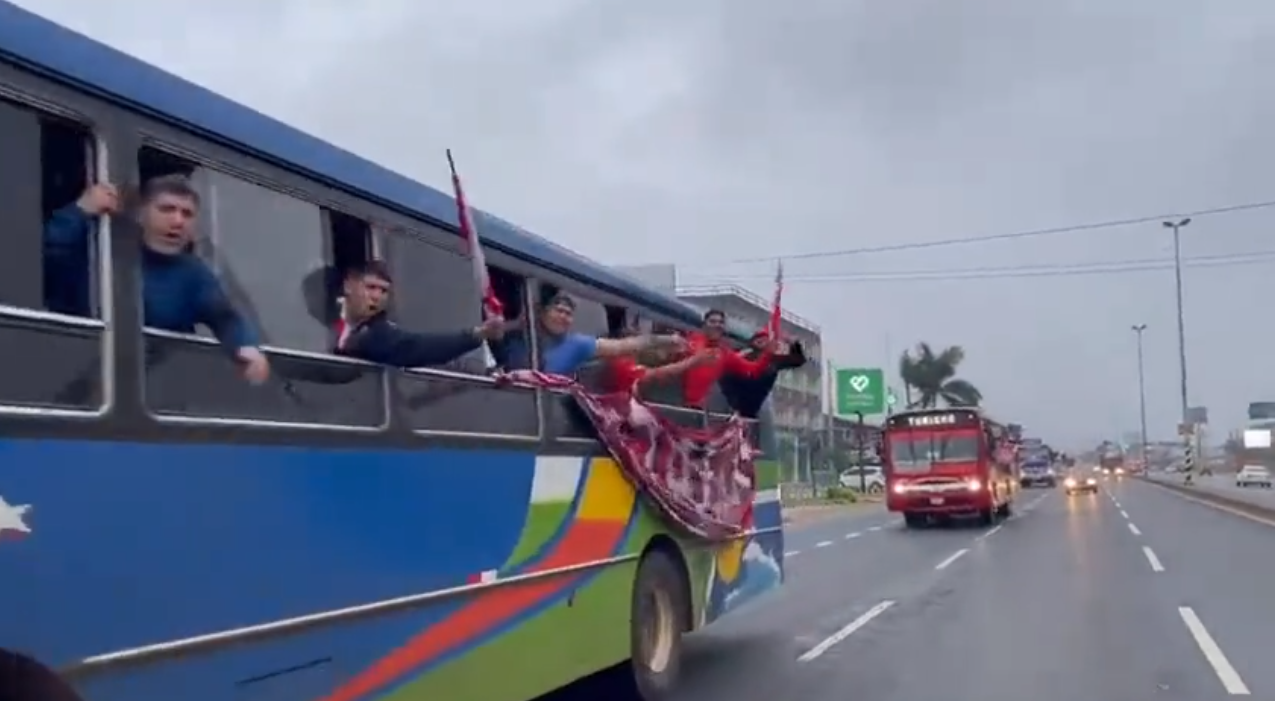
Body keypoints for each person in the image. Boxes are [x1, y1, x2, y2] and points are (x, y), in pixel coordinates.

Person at [43, 178, 270, 384]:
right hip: (72, 373)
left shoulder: (194, 274)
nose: (178, 221)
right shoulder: (100, 247)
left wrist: (245, 345)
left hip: (155, 389)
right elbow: (49, 253)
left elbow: (225, 317)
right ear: (141, 214)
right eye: (166, 209)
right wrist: (80, 210)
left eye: (187, 214)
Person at [333, 260, 506, 367]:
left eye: (383, 291)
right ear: (348, 286)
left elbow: (415, 347)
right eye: (370, 287)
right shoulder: (324, 317)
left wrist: (477, 334)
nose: (377, 297)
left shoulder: (378, 332)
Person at [503, 292, 686, 375]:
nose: (563, 317)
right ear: (543, 313)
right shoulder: (518, 337)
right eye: (558, 311)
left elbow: (622, 346)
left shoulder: (577, 344)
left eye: (568, 314)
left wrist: (665, 339)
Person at [680, 309, 775, 409]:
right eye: (712, 321)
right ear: (704, 325)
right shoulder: (689, 340)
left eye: (721, 322)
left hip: (697, 410)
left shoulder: (725, 352)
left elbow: (753, 369)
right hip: (675, 401)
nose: (717, 325)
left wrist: (768, 354)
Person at [719, 329, 807, 418]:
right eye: (759, 338)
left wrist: (794, 344)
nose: (762, 341)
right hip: (732, 400)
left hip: (753, 404)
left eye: (765, 339)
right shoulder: (741, 353)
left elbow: (797, 360)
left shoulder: (773, 360)